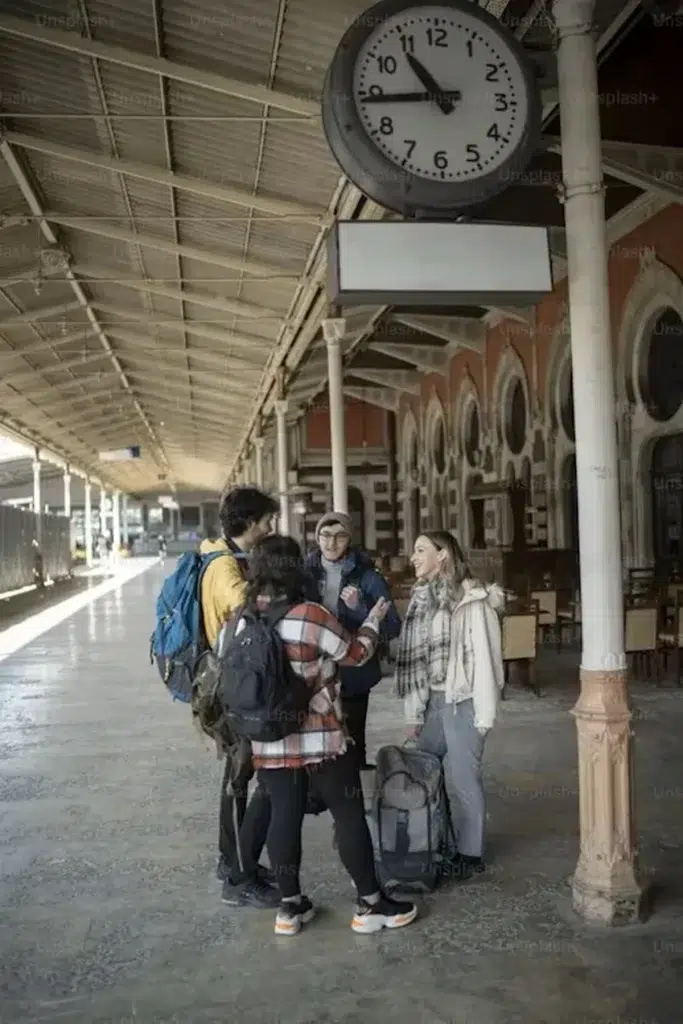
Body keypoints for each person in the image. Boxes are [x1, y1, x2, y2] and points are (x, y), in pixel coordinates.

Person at [238, 534, 418, 937]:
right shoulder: (309, 614)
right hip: (320, 736)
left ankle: (289, 906)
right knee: (347, 812)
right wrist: (372, 622)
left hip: (269, 738)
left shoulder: (242, 617)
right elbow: (355, 655)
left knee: (282, 817)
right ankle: (371, 904)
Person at [395, 531, 505, 877]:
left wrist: (484, 716)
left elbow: (488, 661)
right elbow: (418, 661)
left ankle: (470, 855)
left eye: (420, 550)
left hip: (464, 699)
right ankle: (438, 839)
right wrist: (415, 713)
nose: (412, 557)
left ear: (442, 555)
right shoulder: (421, 599)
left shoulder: (472, 600)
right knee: (424, 770)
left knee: (462, 778)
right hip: (434, 700)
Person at [199, 486, 280, 909]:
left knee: (241, 776)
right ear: (248, 522)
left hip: (234, 682)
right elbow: (247, 606)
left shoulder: (228, 557)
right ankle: (236, 876)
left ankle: (234, 860)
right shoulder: (224, 566)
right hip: (231, 688)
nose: (270, 527)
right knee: (239, 777)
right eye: (267, 520)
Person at [305, 512, 401, 770]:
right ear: (317, 537)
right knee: (316, 730)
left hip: (355, 670)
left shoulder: (368, 577)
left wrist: (360, 608)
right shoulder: (305, 574)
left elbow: (392, 625)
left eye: (340, 536)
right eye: (325, 535)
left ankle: (353, 787)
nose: (331, 543)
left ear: (350, 539)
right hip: (314, 670)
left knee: (353, 733)